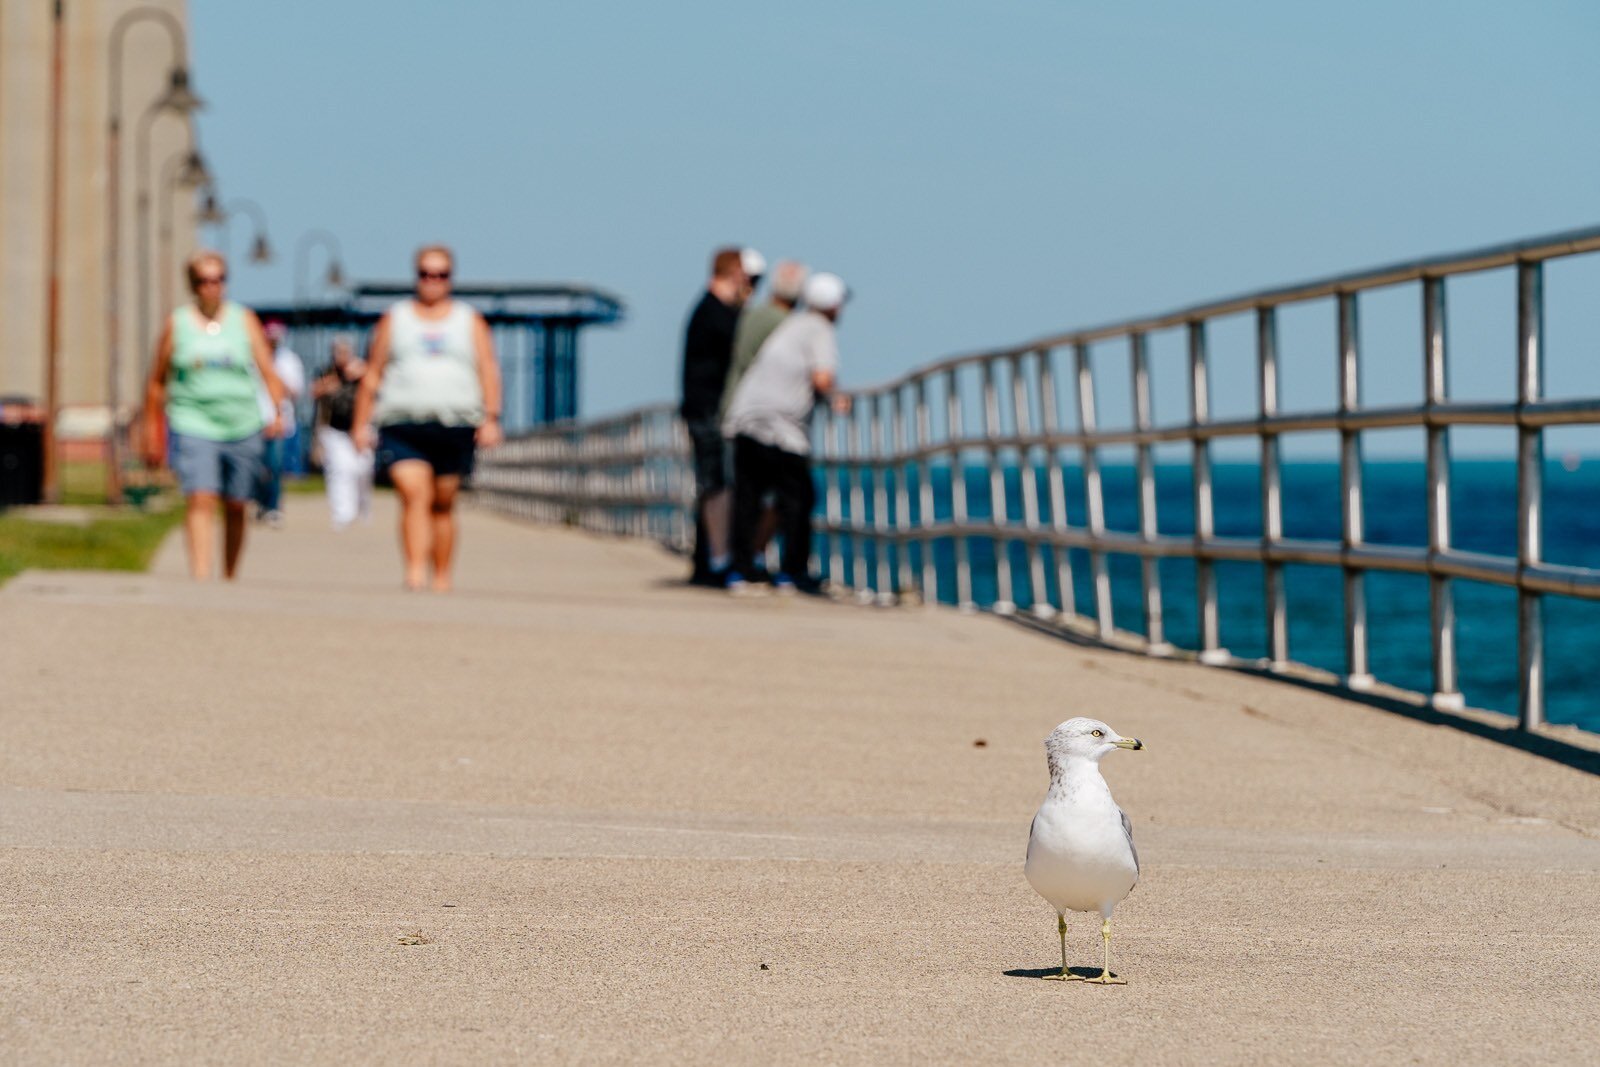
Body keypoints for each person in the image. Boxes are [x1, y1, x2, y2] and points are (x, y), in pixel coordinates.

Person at [351, 245, 503, 591]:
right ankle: (415, 570)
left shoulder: (470, 320)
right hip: (403, 422)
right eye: (426, 274)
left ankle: (443, 573)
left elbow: (488, 370)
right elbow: (374, 372)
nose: (432, 281)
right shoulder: (396, 318)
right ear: (416, 276)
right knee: (413, 493)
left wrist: (491, 417)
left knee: (443, 502)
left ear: (451, 278)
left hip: (455, 423)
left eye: (441, 275)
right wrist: (361, 423)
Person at [141, 250, 284, 580]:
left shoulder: (243, 319)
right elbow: (156, 383)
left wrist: (277, 411)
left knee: (236, 503)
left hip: (242, 421)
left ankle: (229, 575)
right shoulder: (177, 324)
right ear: (193, 285)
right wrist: (152, 430)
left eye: (218, 280)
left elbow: (267, 370)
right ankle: (202, 578)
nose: (212, 287)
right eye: (204, 281)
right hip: (194, 420)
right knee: (200, 498)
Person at [722, 271, 850, 594]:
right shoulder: (819, 328)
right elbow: (822, 378)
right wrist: (838, 398)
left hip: (747, 416)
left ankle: (740, 569)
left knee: (748, 496)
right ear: (833, 305)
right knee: (799, 497)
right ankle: (793, 572)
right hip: (782, 427)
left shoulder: (792, 323)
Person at [679, 246, 748, 585]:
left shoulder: (706, 309)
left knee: (712, 485)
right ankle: (717, 561)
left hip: (703, 408)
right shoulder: (715, 311)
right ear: (734, 271)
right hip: (709, 410)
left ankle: (707, 561)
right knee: (716, 485)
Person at [311, 336, 373, 530]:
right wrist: (334, 382)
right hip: (334, 429)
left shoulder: (363, 370)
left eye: (346, 352)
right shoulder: (327, 373)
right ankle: (342, 513)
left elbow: (377, 388)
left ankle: (363, 507)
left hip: (361, 426)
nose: (342, 357)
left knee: (362, 469)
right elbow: (314, 392)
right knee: (340, 470)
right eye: (339, 352)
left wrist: (365, 374)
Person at [253, 320, 305, 527]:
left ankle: (274, 506)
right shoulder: (254, 358)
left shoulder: (289, 360)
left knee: (274, 465)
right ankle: (261, 503)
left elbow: (295, 391)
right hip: (254, 420)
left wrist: (273, 376)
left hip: (279, 420)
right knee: (256, 467)